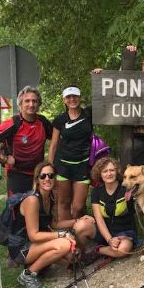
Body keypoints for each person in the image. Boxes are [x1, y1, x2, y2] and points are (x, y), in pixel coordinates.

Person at [14, 161, 96, 288]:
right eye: (43, 176)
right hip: (22, 247)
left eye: (51, 176)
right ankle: (28, 274)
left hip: (37, 243)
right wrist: (62, 235)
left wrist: (78, 220)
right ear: (37, 179)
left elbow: (54, 224)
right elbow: (33, 235)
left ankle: (43, 265)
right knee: (64, 245)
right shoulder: (32, 200)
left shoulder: (51, 196)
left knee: (71, 256)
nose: (47, 179)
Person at [93, 46, 144, 175]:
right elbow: (119, 82)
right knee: (133, 173)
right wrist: (104, 76)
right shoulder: (133, 82)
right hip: (134, 136)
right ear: (142, 66)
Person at [0, 86, 52, 195]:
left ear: (39, 104)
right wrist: (3, 158)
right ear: (20, 104)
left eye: (34, 101)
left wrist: (51, 160)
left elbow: (57, 140)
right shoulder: (13, 123)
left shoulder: (43, 122)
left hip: (38, 174)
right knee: (17, 209)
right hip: (17, 175)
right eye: (27, 101)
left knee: (38, 208)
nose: (31, 104)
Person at [48, 86, 93, 222]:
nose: (72, 99)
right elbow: (54, 145)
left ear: (80, 97)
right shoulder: (60, 119)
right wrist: (50, 168)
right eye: (68, 97)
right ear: (64, 100)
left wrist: (102, 74)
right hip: (63, 166)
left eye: (75, 96)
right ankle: (66, 235)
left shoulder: (89, 113)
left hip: (83, 165)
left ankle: (79, 233)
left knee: (78, 207)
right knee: (64, 203)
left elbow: (107, 96)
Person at [88, 157, 138, 259]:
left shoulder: (125, 187)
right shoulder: (96, 191)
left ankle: (98, 250)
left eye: (112, 170)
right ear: (100, 174)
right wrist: (109, 239)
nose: (109, 174)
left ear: (117, 171)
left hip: (125, 231)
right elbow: (99, 219)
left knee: (121, 251)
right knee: (81, 227)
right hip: (105, 231)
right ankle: (78, 255)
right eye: (105, 171)